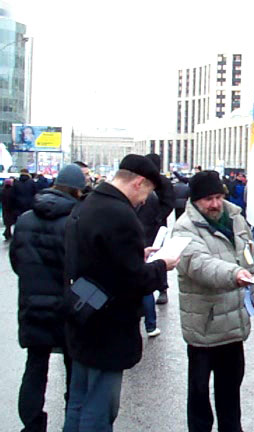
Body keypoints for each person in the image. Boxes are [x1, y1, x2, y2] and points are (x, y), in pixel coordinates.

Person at [62, 154, 180, 432]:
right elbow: (133, 281)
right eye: (148, 192)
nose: (144, 201)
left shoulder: (89, 203)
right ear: (139, 183)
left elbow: (98, 257)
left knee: (78, 400)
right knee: (100, 408)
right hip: (109, 325)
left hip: (82, 314)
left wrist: (137, 254)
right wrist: (162, 265)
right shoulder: (120, 214)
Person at [172, 170, 254, 432]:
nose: (214, 204)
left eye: (218, 197)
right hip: (203, 327)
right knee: (199, 395)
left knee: (230, 392)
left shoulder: (236, 219)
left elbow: (249, 260)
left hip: (234, 326)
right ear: (195, 201)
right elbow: (199, 264)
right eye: (208, 199)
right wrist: (235, 274)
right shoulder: (183, 229)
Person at [10, 164, 86, 432]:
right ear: (77, 191)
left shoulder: (25, 219)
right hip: (67, 307)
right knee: (73, 368)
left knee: (35, 367)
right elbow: (82, 268)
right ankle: (71, 422)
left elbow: (17, 262)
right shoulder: (75, 221)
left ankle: (32, 425)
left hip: (32, 306)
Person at [137, 153, 175, 311]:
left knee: (158, 256)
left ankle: (162, 289)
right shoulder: (141, 181)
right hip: (140, 224)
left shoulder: (163, 182)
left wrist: (158, 219)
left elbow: (168, 203)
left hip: (156, 227)